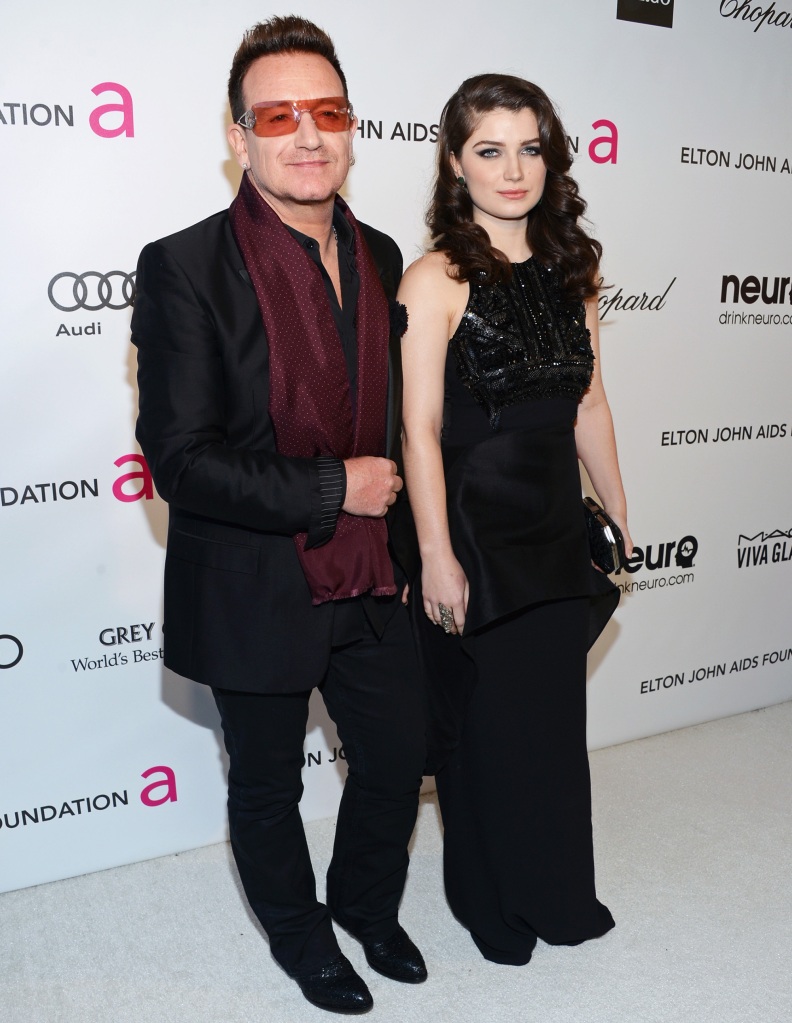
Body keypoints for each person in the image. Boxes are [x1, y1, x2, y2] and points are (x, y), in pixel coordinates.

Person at [131, 16, 426, 1015]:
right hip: (258, 583)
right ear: (240, 136)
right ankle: (303, 942)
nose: (308, 135)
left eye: (328, 112)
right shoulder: (183, 267)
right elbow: (180, 460)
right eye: (279, 115)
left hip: (375, 574)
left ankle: (365, 904)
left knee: (396, 755)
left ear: (352, 128)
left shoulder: (385, 253)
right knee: (268, 786)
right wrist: (333, 486)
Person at [398, 73, 633, 968]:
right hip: (475, 530)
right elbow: (417, 429)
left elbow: (592, 403)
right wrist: (435, 553)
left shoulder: (577, 270)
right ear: (457, 164)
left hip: (549, 524)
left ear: (552, 157)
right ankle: (487, 899)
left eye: (530, 147)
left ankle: (557, 890)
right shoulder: (437, 277)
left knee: (550, 729)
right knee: (485, 731)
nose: (513, 168)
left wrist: (619, 506)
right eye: (489, 150)